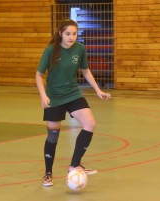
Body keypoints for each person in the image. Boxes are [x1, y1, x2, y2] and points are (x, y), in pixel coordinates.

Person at [35, 18, 111, 187]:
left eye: (74, 34)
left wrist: (98, 90)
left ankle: (74, 165)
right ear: (60, 34)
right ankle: (48, 173)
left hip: (73, 93)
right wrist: (43, 96)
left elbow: (85, 71)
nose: (71, 37)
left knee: (90, 123)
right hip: (54, 96)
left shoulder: (80, 49)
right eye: (68, 34)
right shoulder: (50, 51)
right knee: (53, 136)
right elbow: (39, 75)